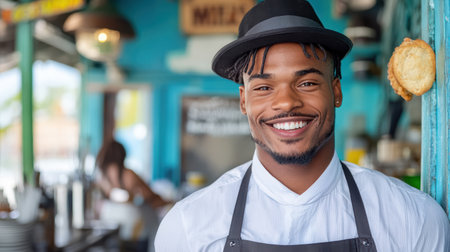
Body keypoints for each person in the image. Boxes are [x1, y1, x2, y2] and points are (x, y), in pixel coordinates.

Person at [155, 0, 449, 251]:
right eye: (263, 88)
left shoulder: (414, 219)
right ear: (244, 101)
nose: (286, 103)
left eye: (306, 82)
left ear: (336, 91)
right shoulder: (188, 229)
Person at [96, 139, 170, 252]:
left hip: (112, 232)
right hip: (136, 232)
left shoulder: (101, 178)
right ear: (122, 155)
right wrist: (170, 202)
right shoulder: (128, 175)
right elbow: (151, 197)